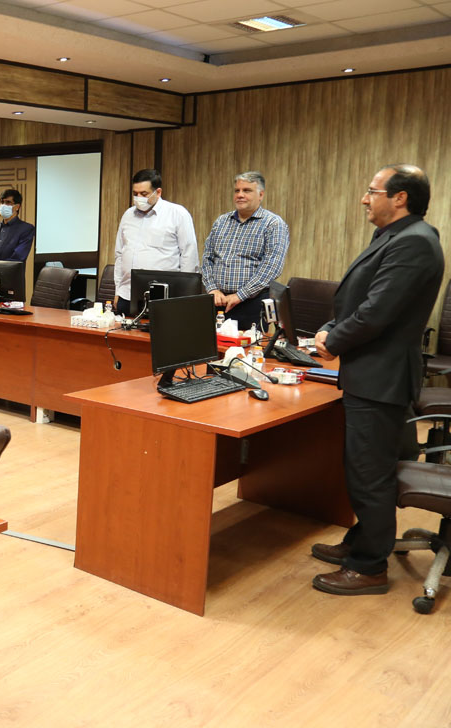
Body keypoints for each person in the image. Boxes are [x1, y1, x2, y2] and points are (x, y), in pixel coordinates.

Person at [310, 164, 444, 596]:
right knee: (363, 465)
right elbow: (360, 298)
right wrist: (330, 328)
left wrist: (334, 342)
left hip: (381, 377)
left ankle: (369, 566)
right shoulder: (394, 236)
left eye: (373, 191)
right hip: (370, 371)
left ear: (400, 197)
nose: (365, 199)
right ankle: (360, 542)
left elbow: (377, 312)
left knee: (370, 472)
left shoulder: (415, 242)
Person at [200, 171, 289, 329]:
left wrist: (240, 295)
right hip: (217, 302)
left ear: (260, 195)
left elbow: (272, 267)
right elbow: (207, 258)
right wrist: (212, 288)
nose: (240, 195)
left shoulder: (273, 224)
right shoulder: (221, 221)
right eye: (237, 191)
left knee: (249, 346)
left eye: (247, 190)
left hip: (251, 305)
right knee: (211, 345)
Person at [113, 169, 198, 315]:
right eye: (135, 194)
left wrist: (184, 297)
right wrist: (118, 290)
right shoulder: (128, 215)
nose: (139, 198)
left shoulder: (177, 214)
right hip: (127, 295)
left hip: (164, 297)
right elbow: (120, 254)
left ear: (158, 192)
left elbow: (189, 256)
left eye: (144, 194)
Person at [0, 189, 34, 267]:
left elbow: (18, 257)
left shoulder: (26, 229)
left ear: (17, 207)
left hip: (10, 273)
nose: (3, 205)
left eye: (8, 202)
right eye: (2, 202)